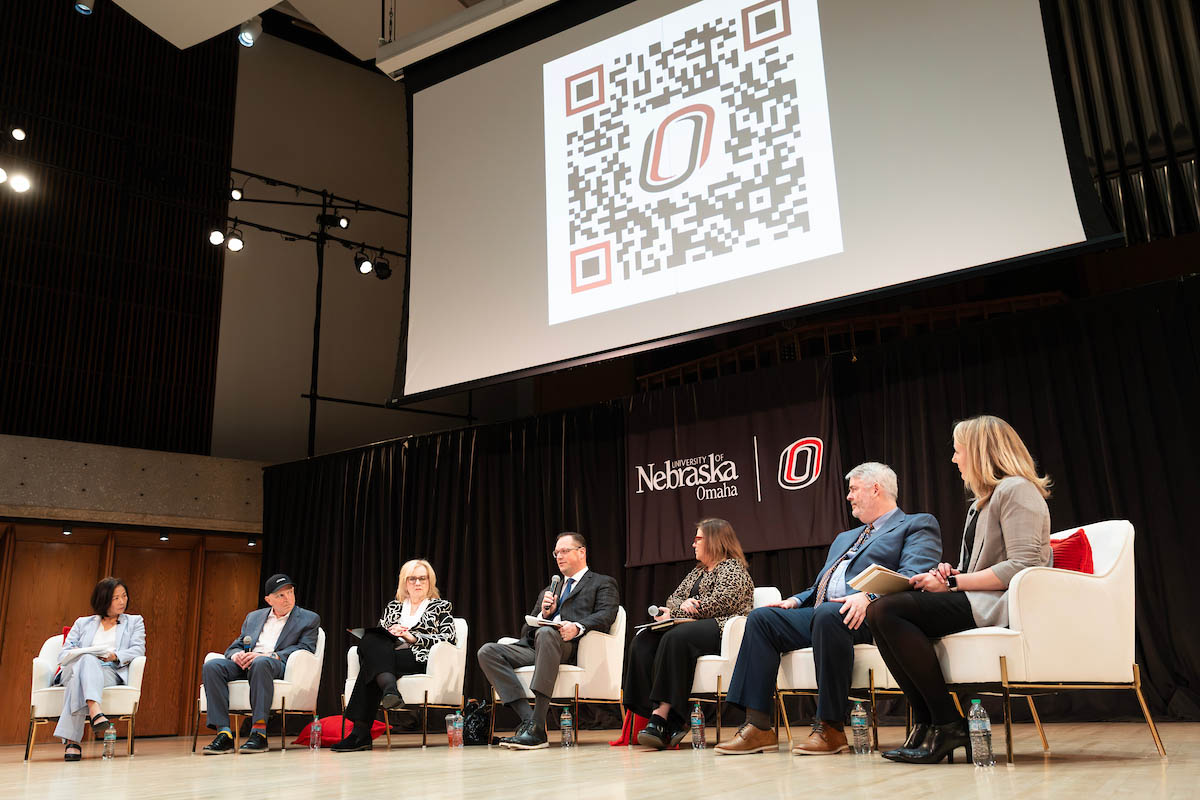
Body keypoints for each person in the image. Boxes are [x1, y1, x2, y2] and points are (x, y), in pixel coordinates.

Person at [715, 462, 941, 756]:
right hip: (825, 613)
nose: (849, 497)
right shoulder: (845, 538)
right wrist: (795, 600)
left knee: (828, 615)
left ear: (876, 489)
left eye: (853, 489)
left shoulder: (916, 524)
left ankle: (830, 727)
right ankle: (758, 726)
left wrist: (869, 596)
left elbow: (914, 573)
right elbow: (822, 585)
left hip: (875, 616)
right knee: (762, 619)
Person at [867, 415, 1051, 764]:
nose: (954, 459)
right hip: (974, 596)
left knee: (887, 610)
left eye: (958, 451)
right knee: (881, 611)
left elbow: (1023, 564)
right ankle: (927, 721)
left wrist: (952, 582)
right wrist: (953, 572)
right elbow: (981, 566)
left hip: (999, 603)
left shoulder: (1017, 490)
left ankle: (947, 723)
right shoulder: (980, 504)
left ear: (980, 453)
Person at [477, 532, 619, 750]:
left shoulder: (601, 582)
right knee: (487, 651)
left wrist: (577, 627)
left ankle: (536, 724)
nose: (559, 557)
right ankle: (532, 723)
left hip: (568, 645)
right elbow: (526, 629)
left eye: (564, 551)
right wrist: (544, 615)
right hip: (536, 646)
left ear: (581, 552)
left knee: (546, 634)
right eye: (556, 553)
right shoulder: (550, 590)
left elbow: (607, 614)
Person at [627, 518, 754, 749]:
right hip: (692, 625)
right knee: (644, 640)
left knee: (676, 637)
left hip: (723, 628)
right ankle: (664, 720)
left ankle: (662, 717)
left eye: (698, 539)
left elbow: (723, 601)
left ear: (715, 541)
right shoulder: (697, 572)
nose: (693, 544)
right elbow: (674, 598)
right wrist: (676, 610)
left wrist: (692, 607)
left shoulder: (732, 567)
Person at [332, 558, 458, 752]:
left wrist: (412, 636)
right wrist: (390, 633)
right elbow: (379, 636)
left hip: (417, 656)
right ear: (404, 582)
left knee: (371, 664)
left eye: (422, 579)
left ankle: (360, 733)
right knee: (370, 639)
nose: (417, 583)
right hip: (390, 653)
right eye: (412, 578)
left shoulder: (440, 606)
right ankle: (390, 690)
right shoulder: (393, 606)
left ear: (429, 582)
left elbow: (449, 638)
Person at [201, 573, 321, 755]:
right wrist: (237, 656)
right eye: (280, 595)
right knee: (213, 666)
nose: (287, 598)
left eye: (290, 592)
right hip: (249, 663)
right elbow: (235, 646)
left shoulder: (309, 618)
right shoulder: (254, 617)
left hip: (276, 664)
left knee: (261, 663)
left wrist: (269, 655)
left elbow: (305, 648)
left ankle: (259, 733)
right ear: (269, 600)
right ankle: (224, 733)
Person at [55, 577, 146, 762]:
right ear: (103, 600)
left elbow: (138, 649)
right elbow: (64, 652)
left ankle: (73, 742)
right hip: (74, 668)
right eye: (116, 598)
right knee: (86, 660)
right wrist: (82, 654)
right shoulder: (82, 623)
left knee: (78, 680)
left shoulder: (134, 621)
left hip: (109, 670)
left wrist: (115, 656)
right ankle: (95, 710)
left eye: (124, 596)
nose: (122, 601)